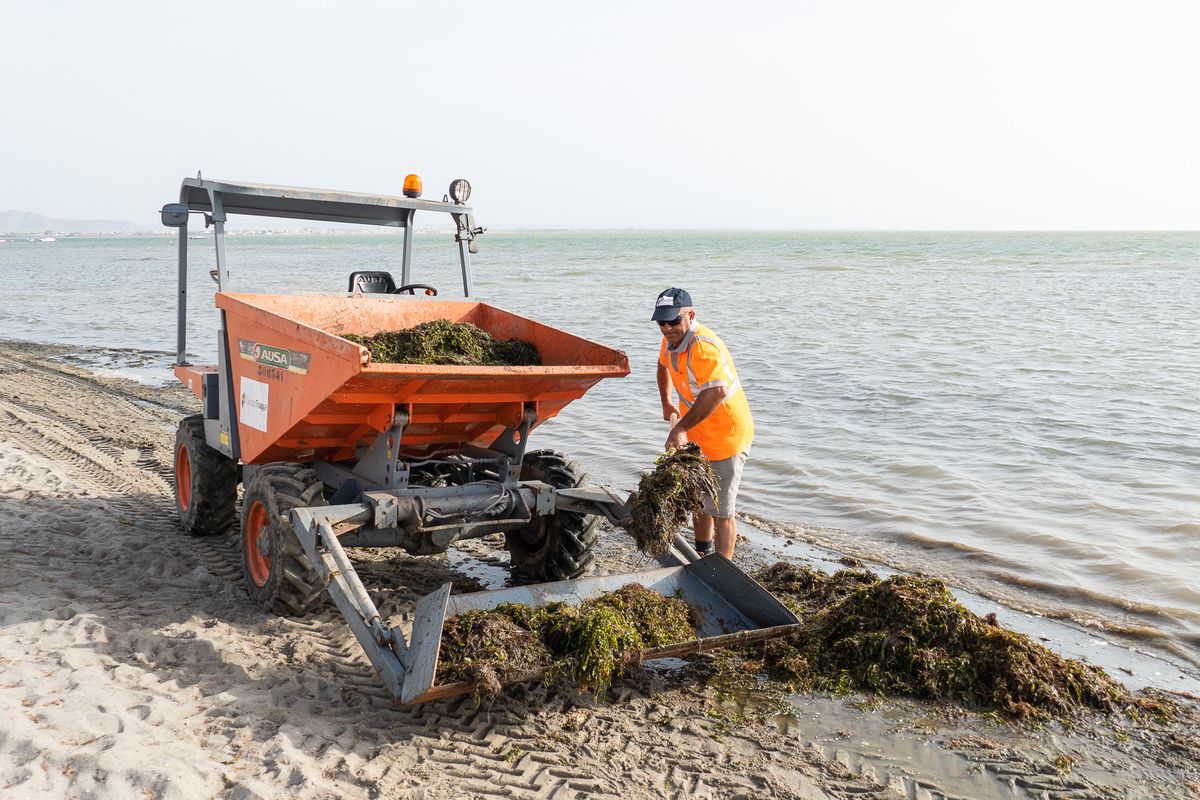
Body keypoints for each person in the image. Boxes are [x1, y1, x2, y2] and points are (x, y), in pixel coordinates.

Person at [652, 287, 754, 559]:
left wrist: (681, 427)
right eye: (661, 322)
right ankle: (702, 554)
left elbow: (717, 392)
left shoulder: (703, 348)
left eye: (673, 320)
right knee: (699, 498)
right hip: (697, 433)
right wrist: (667, 402)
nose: (667, 327)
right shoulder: (671, 340)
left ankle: (724, 569)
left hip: (726, 437)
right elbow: (663, 366)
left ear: (690, 315)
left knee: (721, 509)